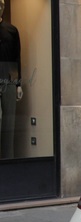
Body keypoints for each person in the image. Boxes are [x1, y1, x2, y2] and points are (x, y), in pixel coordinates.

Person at [0, 0, 23, 159]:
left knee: (9, 122)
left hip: (7, 79)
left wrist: (18, 84)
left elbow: (16, 58)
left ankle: (9, 159)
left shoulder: (12, 31)